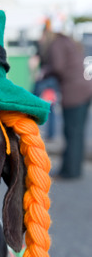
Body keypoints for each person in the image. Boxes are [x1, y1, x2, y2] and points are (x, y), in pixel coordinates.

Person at [39, 21, 92, 178]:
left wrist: (44, 72)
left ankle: (69, 172)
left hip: (74, 92)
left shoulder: (56, 44)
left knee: (71, 132)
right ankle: (74, 170)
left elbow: (58, 67)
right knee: (78, 133)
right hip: (85, 88)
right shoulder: (69, 41)